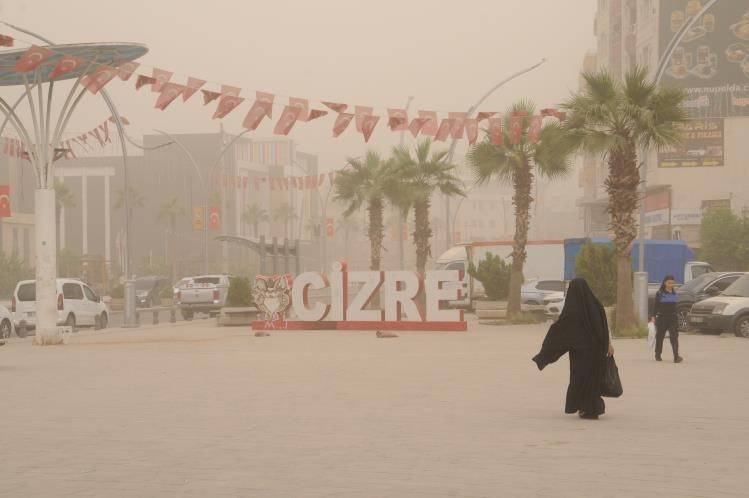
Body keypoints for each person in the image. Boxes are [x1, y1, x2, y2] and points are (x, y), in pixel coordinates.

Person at [532, 278, 614, 420]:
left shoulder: (572, 308)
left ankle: (585, 407)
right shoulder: (596, 304)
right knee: (593, 378)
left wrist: (544, 355)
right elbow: (603, 327)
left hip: (580, 353)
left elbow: (560, 331)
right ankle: (592, 408)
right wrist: (608, 344)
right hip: (596, 350)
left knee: (579, 379)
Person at [652, 275, 683, 363]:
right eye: (669, 283)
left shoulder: (674, 293)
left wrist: (678, 317)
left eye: (672, 283)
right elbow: (655, 306)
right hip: (662, 318)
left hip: (672, 318)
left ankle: (676, 356)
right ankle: (658, 354)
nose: (671, 285)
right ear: (665, 283)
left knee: (674, 337)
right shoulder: (660, 293)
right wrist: (653, 317)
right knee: (660, 337)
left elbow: (676, 307)